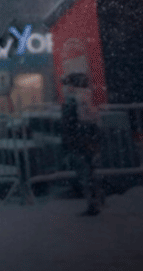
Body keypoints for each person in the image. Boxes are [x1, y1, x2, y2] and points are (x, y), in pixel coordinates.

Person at [61, 71, 103, 215]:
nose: (65, 88)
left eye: (67, 84)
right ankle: (97, 201)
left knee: (85, 172)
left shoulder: (74, 100)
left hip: (80, 140)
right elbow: (94, 121)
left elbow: (69, 123)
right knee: (90, 171)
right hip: (88, 138)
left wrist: (68, 141)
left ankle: (93, 204)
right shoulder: (87, 98)